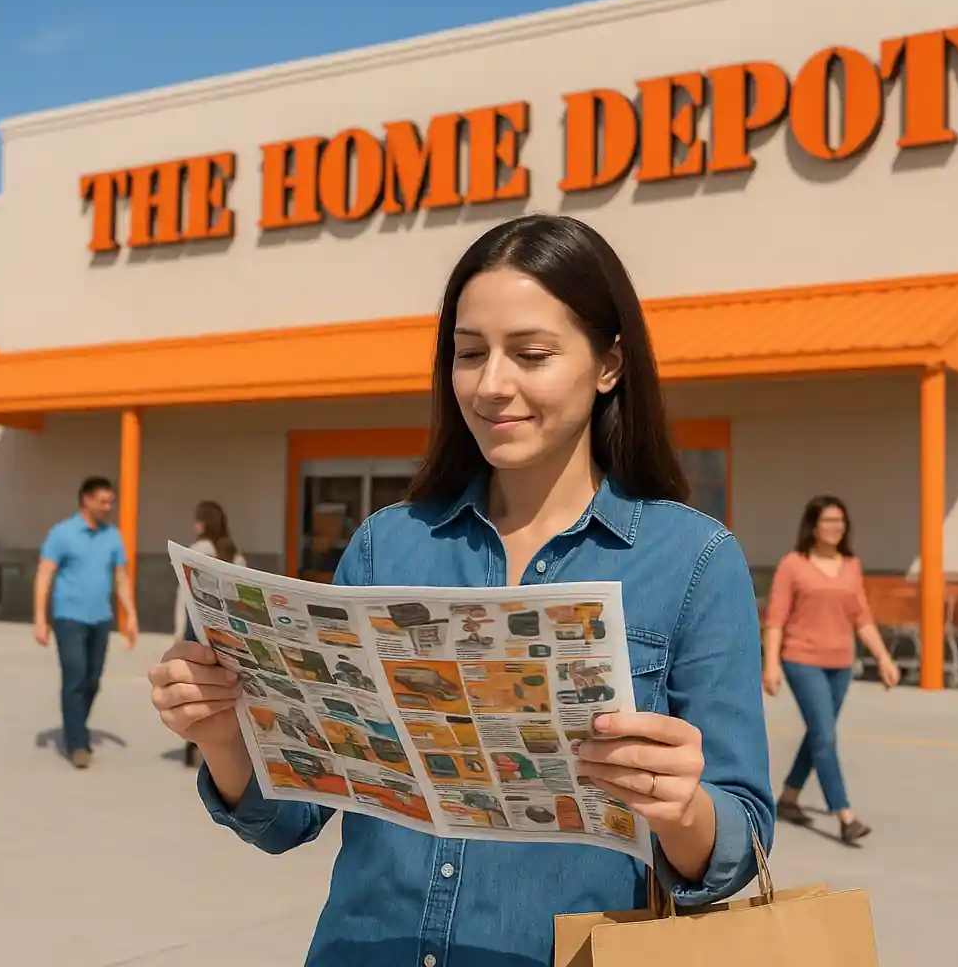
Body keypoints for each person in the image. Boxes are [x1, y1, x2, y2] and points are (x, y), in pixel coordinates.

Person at [148, 214, 774, 967]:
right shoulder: (388, 545)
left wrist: (682, 810)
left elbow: (736, 844)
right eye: (469, 354)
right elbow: (291, 816)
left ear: (609, 364)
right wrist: (222, 734)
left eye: (531, 354)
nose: (491, 385)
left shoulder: (696, 561)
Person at [762, 494, 901, 844]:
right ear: (813, 525)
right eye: (829, 521)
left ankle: (790, 798)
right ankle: (845, 815)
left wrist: (883, 657)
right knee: (825, 736)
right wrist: (771, 663)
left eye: (841, 521)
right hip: (801, 660)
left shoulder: (851, 564)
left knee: (817, 734)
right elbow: (776, 619)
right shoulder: (792, 564)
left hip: (840, 663)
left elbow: (862, 617)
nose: (837, 527)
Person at [35, 475, 139, 769]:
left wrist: (130, 615)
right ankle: (77, 743)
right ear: (86, 500)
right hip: (68, 617)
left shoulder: (112, 536)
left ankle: (75, 724)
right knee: (75, 677)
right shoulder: (62, 533)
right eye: (104, 501)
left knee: (92, 681)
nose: (108, 507)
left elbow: (121, 578)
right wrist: (40, 619)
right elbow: (44, 576)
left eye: (111, 502)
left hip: (100, 618)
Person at [173, 500, 246, 767]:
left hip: (197, 625)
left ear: (202, 523)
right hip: (225, 628)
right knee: (222, 688)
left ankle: (193, 746)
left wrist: (178, 632)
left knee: (195, 687)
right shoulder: (233, 552)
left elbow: (184, 595)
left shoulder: (196, 550)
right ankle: (220, 749)